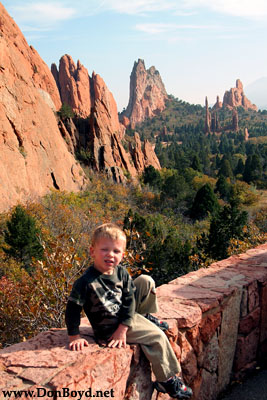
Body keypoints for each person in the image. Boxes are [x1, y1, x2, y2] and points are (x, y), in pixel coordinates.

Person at [65, 223, 193, 399]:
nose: (110, 255)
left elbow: (129, 299)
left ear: (122, 255)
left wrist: (125, 323)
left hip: (124, 317)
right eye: (104, 250)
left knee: (146, 281)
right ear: (92, 251)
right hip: (110, 327)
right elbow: (72, 309)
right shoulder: (86, 282)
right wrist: (74, 336)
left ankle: (144, 316)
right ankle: (166, 379)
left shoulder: (121, 272)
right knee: (157, 336)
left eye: (116, 251)